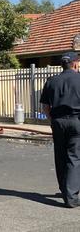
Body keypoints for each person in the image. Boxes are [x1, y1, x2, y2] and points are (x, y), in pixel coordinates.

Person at [40, 51, 80, 208]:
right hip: (76, 121)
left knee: (60, 156)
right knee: (74, 157)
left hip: (57, 122)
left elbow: (45, 107)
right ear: (75, 63)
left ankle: (65, 189)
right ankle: (71, 197)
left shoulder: (52, 81)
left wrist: (52, 121)